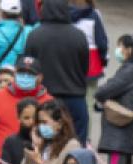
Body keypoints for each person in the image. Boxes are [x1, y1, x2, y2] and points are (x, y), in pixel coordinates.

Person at [22, 0, 88, 141]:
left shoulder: (35, 35)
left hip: (45, 98)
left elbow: (28, 67)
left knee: (43, 143)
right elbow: (84, 68)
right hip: (75, 98)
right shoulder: (79, 36)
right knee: (76, 145)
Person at [91, 33, 133, 164]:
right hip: (127, 133)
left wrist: (103, 92)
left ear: (129, 50)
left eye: (120, 46)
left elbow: (103, 91)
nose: (118, 50)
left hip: (119, 134)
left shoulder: (129, 71)